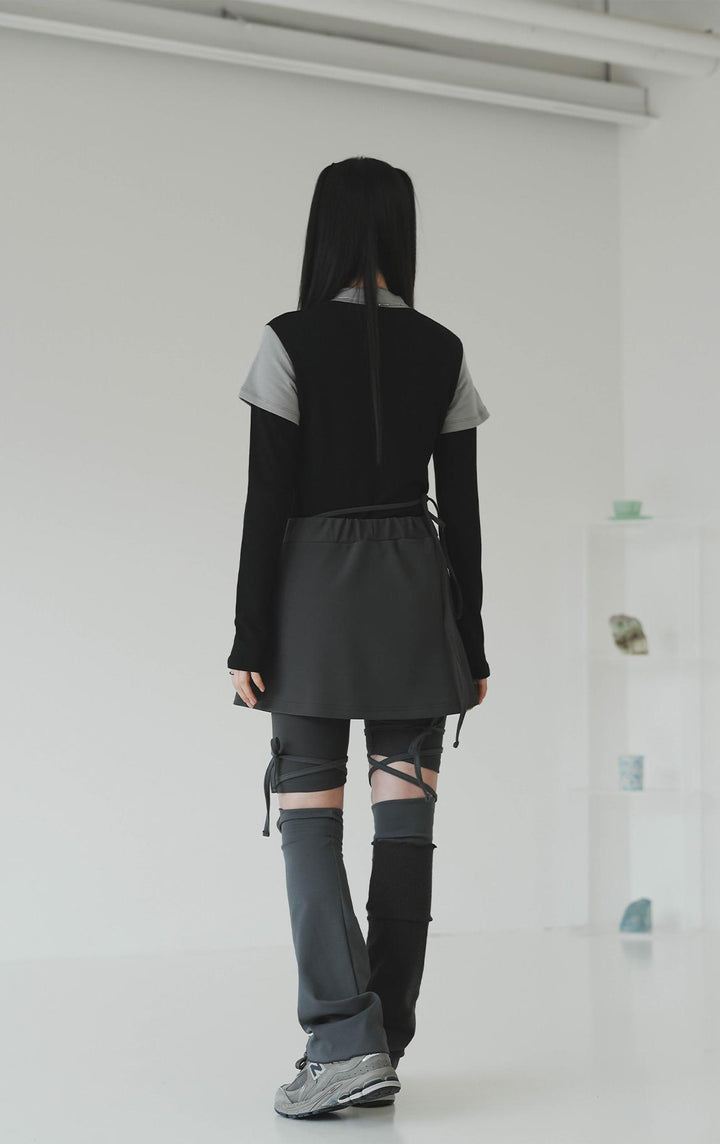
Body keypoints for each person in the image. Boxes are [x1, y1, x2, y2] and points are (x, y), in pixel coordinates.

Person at [227, 156, 491, 1118]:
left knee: (308, 816)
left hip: (311, 603)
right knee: (405, 823)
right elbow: (463, 512)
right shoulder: (444, 349)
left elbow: (266, 502)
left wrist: (248, 636)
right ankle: (385, 1040)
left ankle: (344, 1042)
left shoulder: (287, 339)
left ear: (325, 229)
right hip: (414, 599)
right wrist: (472, 643)